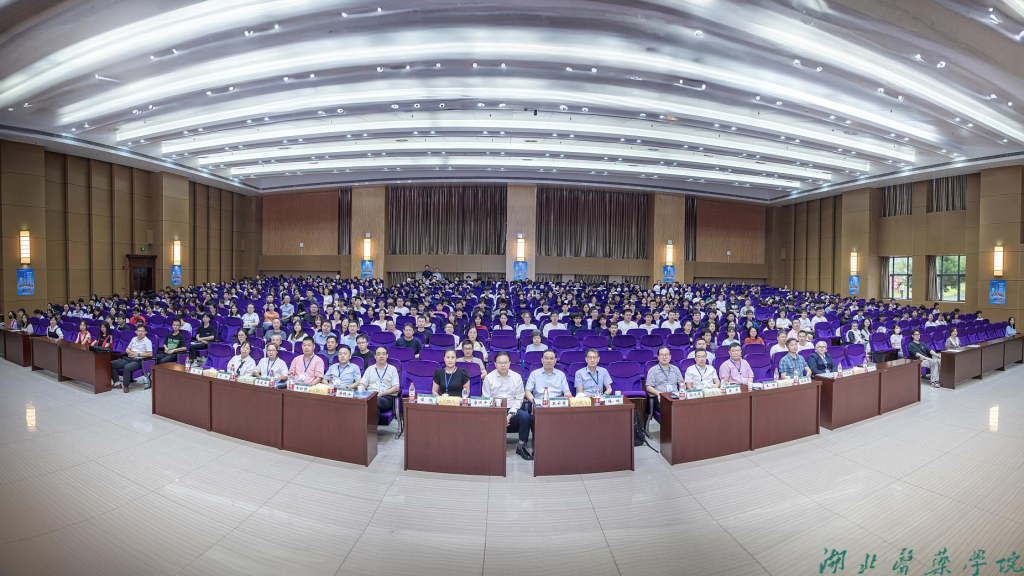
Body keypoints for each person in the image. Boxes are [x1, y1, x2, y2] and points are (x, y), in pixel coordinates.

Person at [482, 352, 533, 461]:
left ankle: (520, 447)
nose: (503, 365)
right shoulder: (489, 378)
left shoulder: (516, 377)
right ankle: (491, 446)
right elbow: (487, 399)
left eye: (505, 362)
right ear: (495, 364)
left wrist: (509, 415)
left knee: (525, 417)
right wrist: (499, 415)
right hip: (495, 409)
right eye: (500, 363)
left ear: (510, 363)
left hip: (512, 408)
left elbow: (519, 399)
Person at [358, 346, 401, 417]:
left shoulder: (392, 369)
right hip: (370, 395)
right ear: (375, 356)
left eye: (383, 354)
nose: (381, 356)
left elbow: (396, 387)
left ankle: (369, 424)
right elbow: (362, 383)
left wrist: (381, 394)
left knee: (375, 400)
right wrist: (363, 389)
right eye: (378, 354)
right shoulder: (370, 369)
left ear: (387, 356)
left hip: (386, 398)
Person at [111, 324, 152, 392]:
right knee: (112, 363)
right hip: (129, 358)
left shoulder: (147, 341)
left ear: (145, 332)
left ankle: (126, 386)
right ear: (136, 332)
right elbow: (127, 349)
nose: (140, 332)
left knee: (127, 367)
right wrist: (130, 352)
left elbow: (150, 354)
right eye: (139, 331)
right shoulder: (134, 339)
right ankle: (117, 383)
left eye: (142, 331)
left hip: (138, 361)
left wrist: (137, 354)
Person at [645, 347, 684, 412]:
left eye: (666, 355)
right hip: (661, 397)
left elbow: (681, 383)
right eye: (662, 355)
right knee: (671, 409)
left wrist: (682, 392)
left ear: (670, 357)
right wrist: (659, 393)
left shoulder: (675, 369)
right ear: (658, 357)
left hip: (675, 397)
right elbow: (648, 387)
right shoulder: (653, 370)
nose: (664, 357)